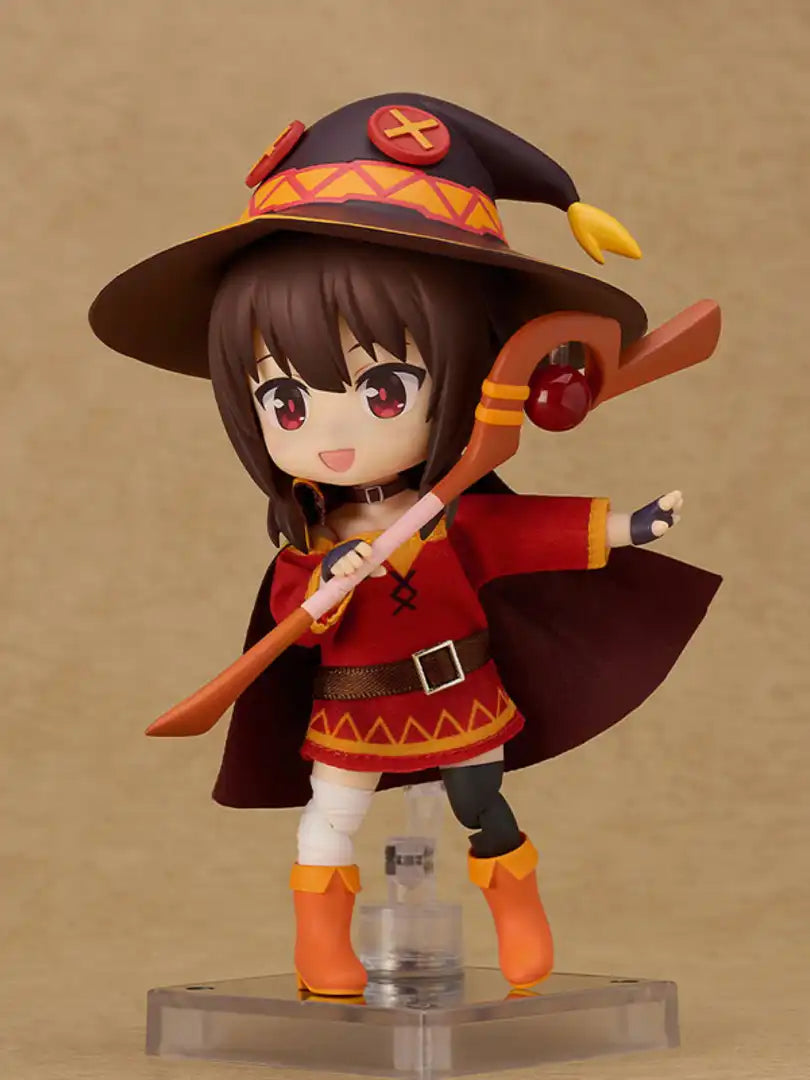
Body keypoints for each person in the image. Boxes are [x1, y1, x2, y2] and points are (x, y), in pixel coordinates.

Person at [90, 93, 721, 997]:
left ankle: (516, 906)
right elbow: (297, 618)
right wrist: (328, 581)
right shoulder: (311, 543)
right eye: (285, 401)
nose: (331, 433)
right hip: (354, 705)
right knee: (331, 819)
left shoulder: (450, 518)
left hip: (460, 690)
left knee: (480, 801)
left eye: (384, 390)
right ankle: (322, 942)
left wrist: (631, 525)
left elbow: (527, 533)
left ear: (466, 374)